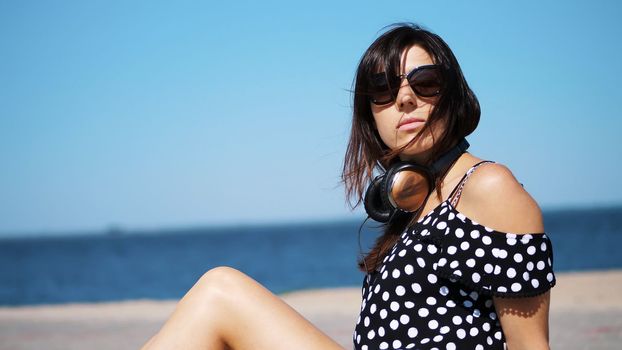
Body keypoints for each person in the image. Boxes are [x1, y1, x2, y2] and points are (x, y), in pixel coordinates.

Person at [141, 23, 555, 350]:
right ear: (370, 115)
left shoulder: (488, 186)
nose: (405, 99)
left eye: (424, 81)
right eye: (383, 90)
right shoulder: (414, 201)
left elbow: (530, 345)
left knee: (220, 291)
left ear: (454, 95)